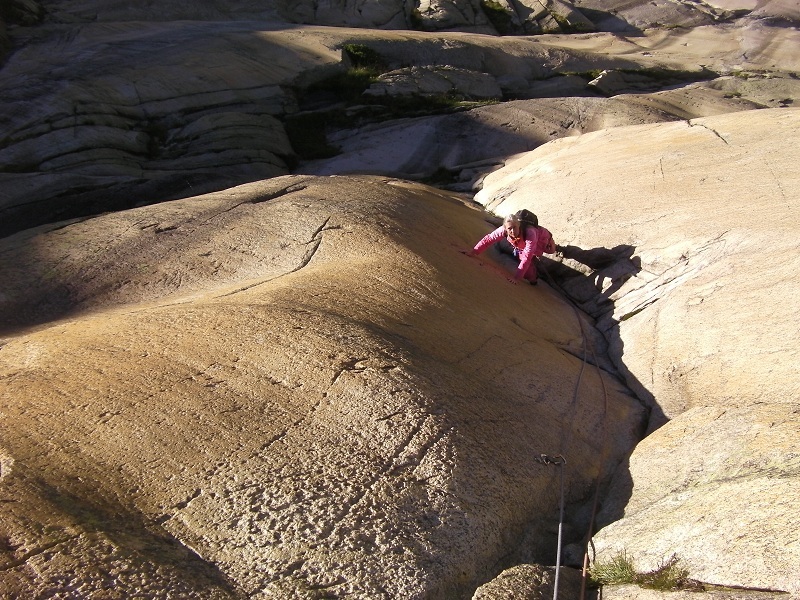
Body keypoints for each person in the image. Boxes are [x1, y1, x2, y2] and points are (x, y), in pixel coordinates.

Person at [468, 211, 556, 285]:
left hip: (542, 239)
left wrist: (516, 278)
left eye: (514, 227)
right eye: (510, 228)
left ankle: (557, 247)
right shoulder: (502, 231)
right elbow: (488, 239)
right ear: (505, 229)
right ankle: (534, 279)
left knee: (551, 251)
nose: (513, 231)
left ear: (519, 225)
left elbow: (527, 257)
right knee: (529, 274)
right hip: (522, 245)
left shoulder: (530, 232)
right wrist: (473, 252)